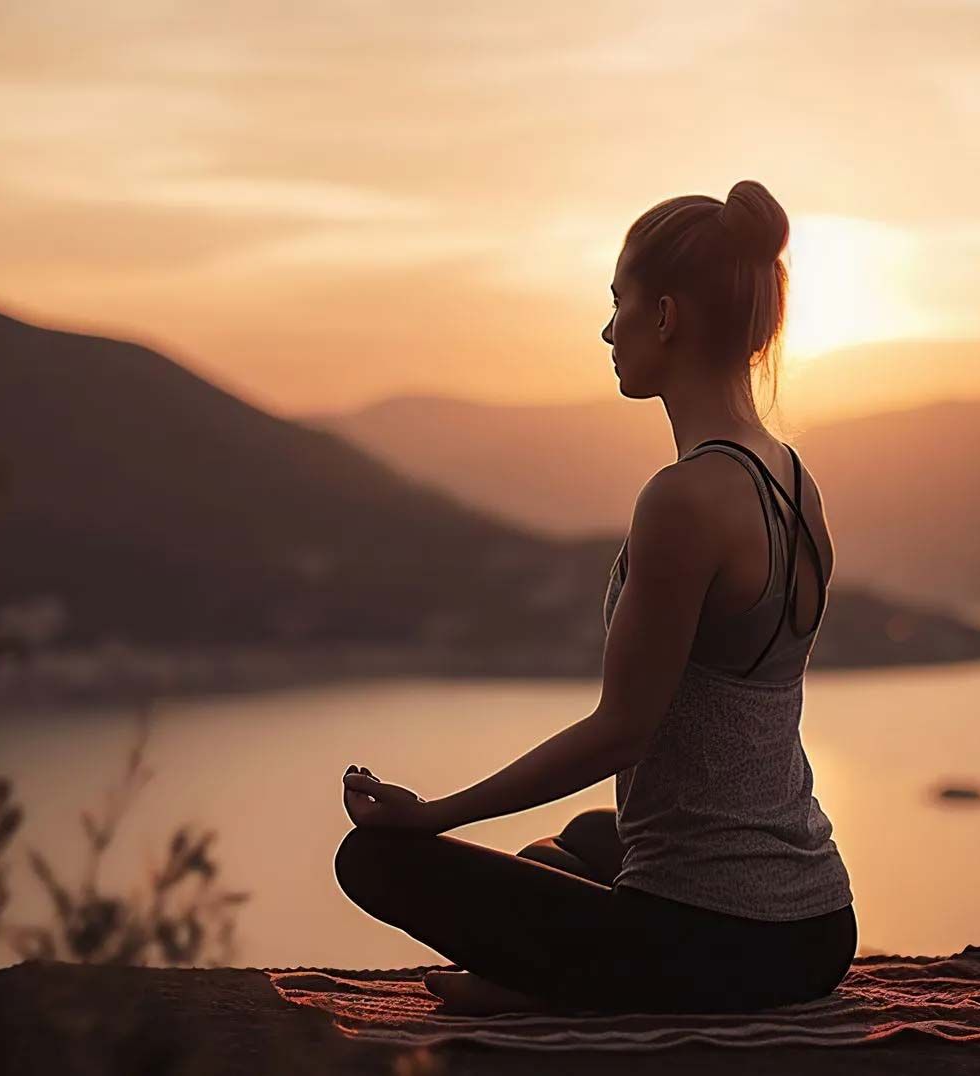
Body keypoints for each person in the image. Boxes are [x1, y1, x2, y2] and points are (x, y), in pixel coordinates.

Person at [333, 179, 855, 1016]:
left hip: (725, 941)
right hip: (818, 921)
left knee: (373, 862)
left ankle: (536, 991)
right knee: (574, 844)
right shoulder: (792, 477)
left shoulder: (684, 499)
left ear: (667, 317)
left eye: (619, 301)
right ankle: (548, 972)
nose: (608, 330)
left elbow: (621, 730)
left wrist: (431, 817)